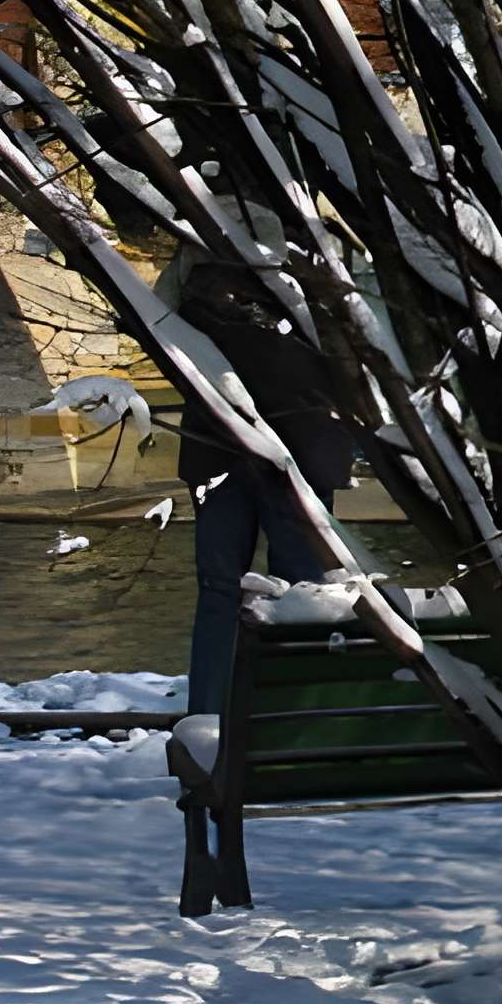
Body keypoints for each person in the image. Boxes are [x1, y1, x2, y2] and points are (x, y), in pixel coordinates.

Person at [163, 244, 355, 719]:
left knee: (220, 589)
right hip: (302, 451)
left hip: (219, 450)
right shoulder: (305, 292)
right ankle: (293, 713)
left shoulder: (197, 302)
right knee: (303, 590)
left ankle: (209, 712)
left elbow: (154, 308)